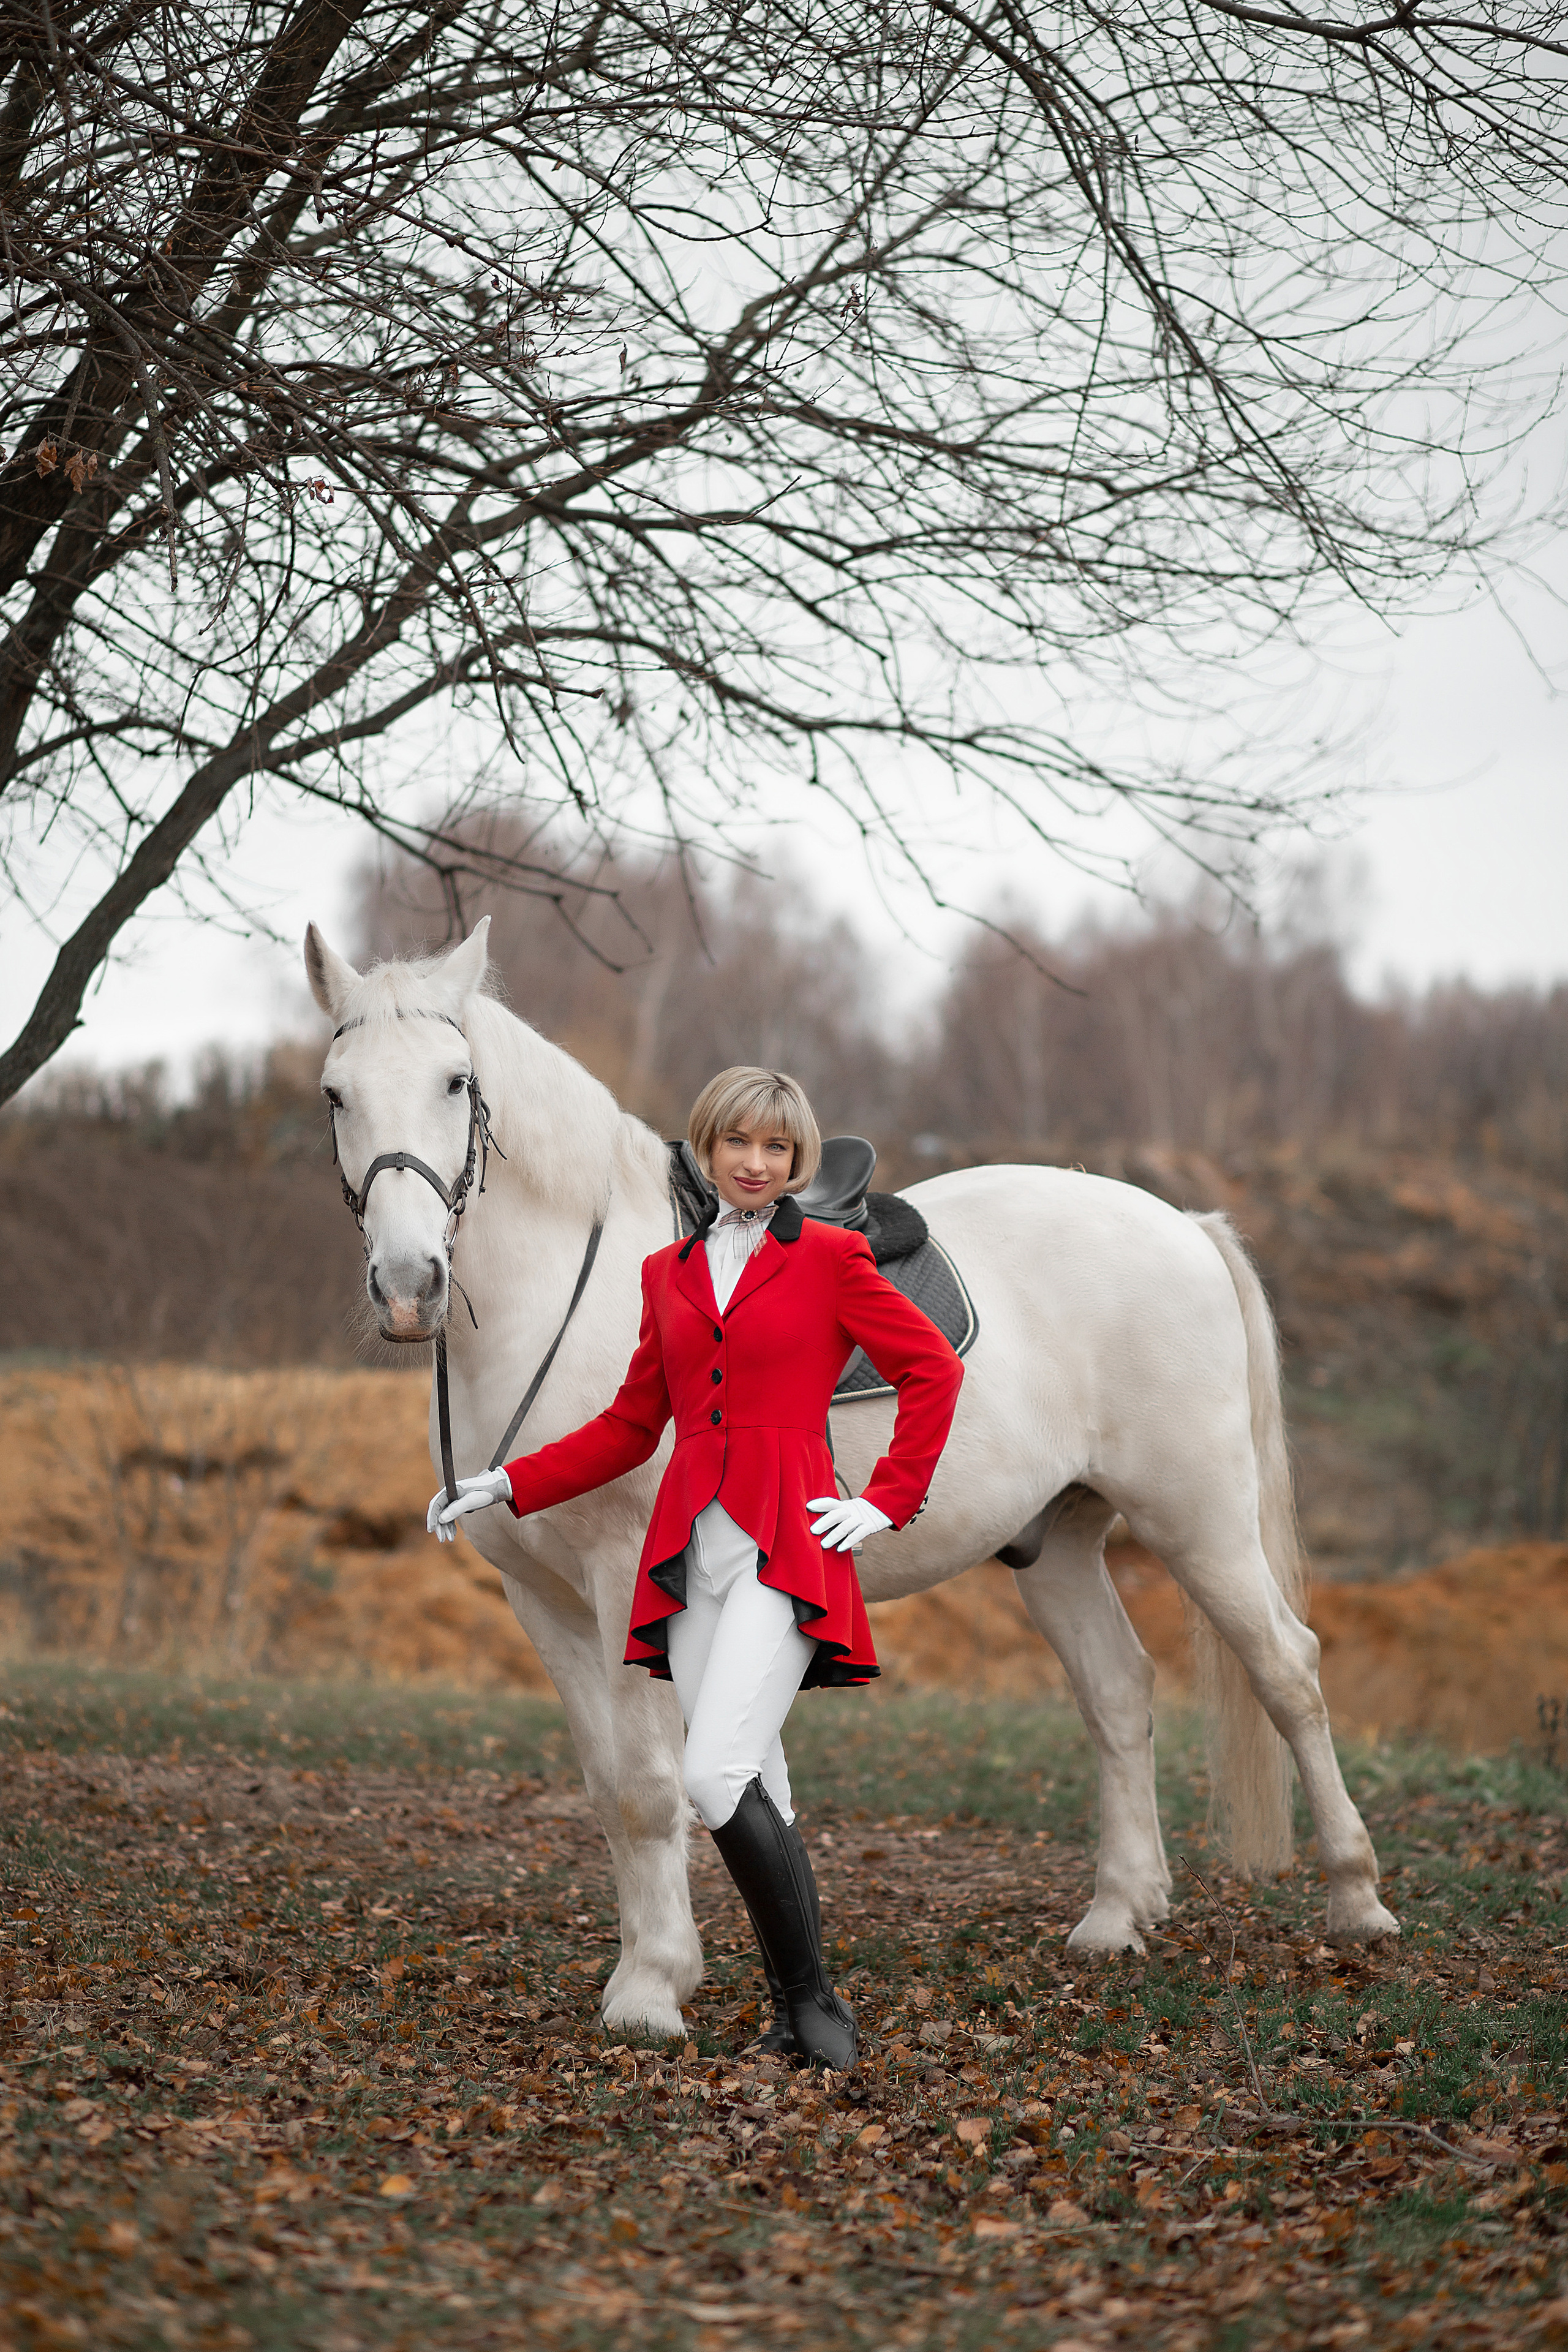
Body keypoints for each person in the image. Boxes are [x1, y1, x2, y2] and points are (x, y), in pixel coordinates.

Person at [429, 1067, 963, 2070]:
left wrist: (886, 1498)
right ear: (707, 1151)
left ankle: (817, 2013)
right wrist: (507, 1483)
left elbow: (933, 1368)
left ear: (797, 1160)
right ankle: (797, 2016)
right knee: (757, 1772)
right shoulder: (666, 1271)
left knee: (712, 1774)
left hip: (782, 1540)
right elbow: (634, 1427)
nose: (756, 1164)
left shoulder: (836, 1261)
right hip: (691, 1551)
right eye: (737, 1145)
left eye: (777, 1149)